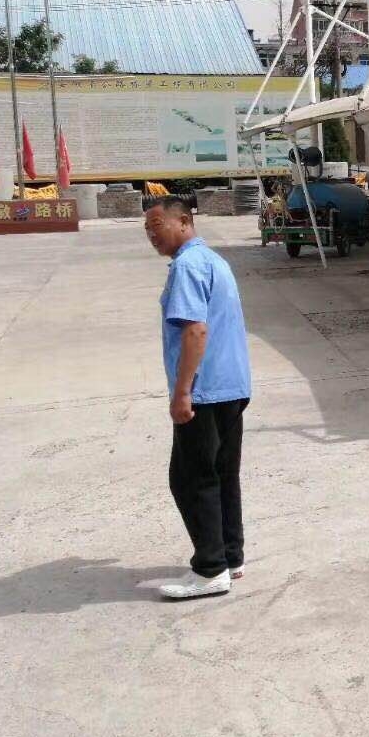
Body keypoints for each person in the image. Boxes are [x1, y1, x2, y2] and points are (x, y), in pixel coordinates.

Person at [143, 196, 252, 600]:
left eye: (157, 225)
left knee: (191, 479)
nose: (152, 235)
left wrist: (183, 391)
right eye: (147, 229)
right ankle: (230, 556)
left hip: (205, 391)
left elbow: (195, 331)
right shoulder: (213, 260)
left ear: (184, 221)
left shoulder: (188, 266)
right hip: (231, 385)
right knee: (222, 473)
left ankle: (210, 570)